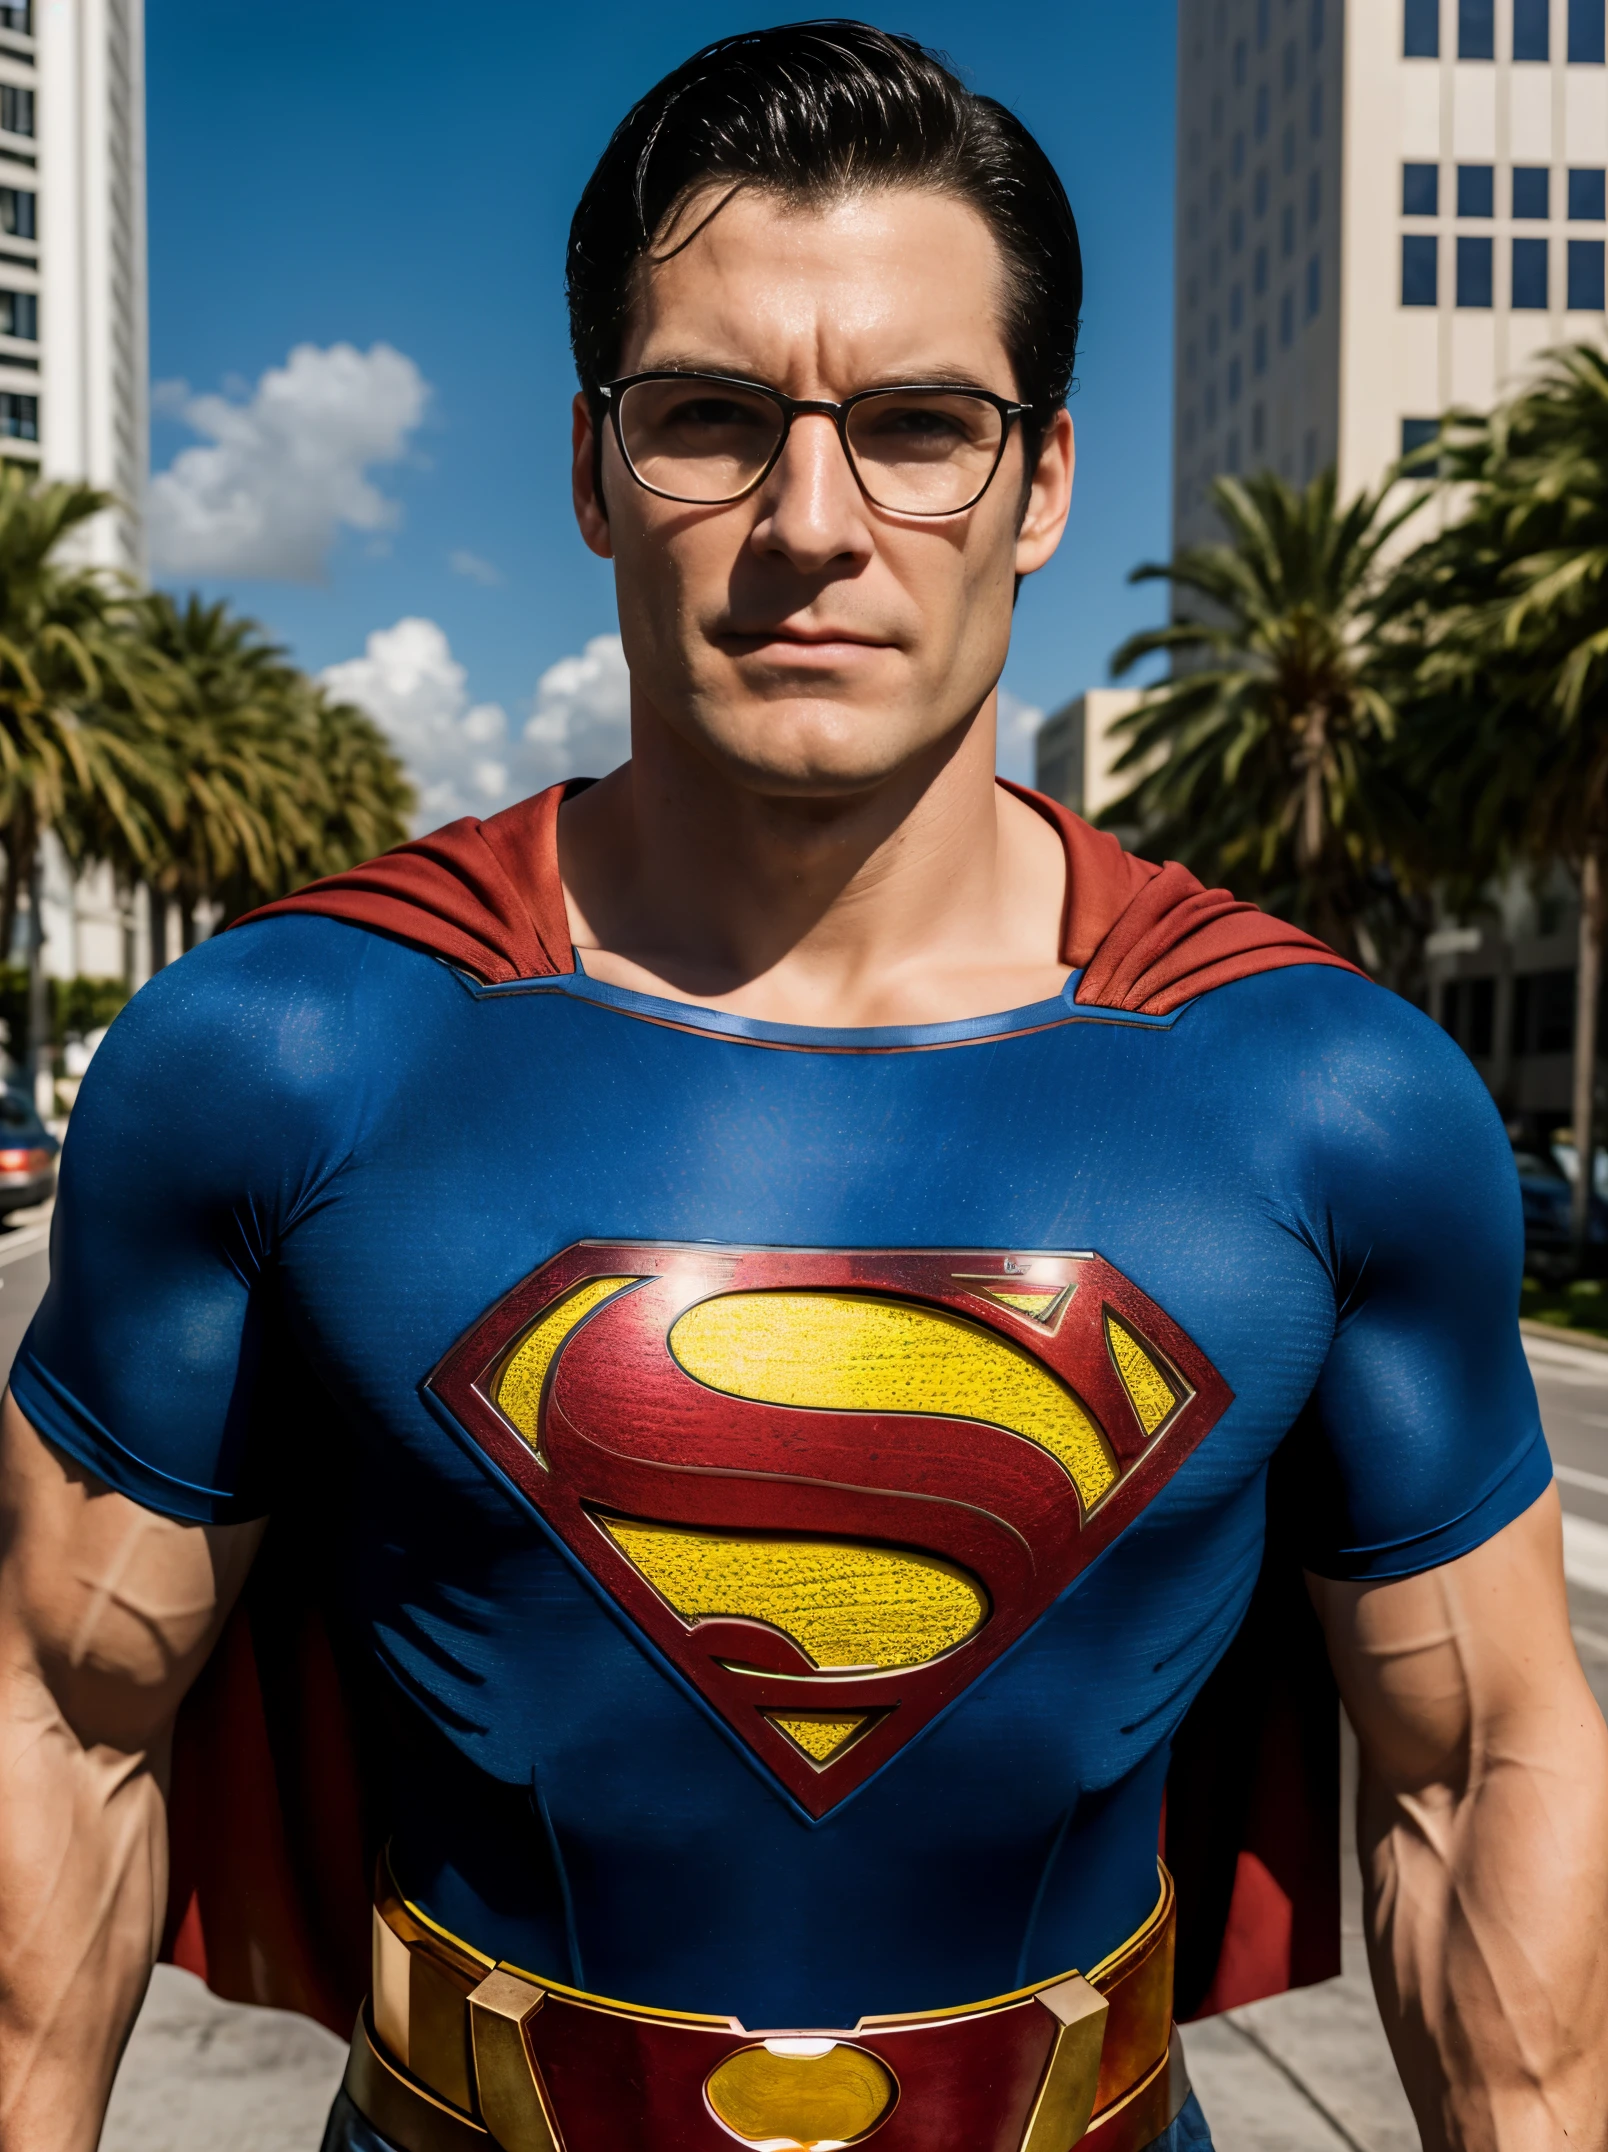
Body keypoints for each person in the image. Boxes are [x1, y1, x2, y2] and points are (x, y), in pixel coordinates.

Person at [1, 22, 1604, 2152]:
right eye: (712, 420)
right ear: (589, 466)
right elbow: (65, 1714)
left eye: (922, 424)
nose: (813, 522)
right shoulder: (290, 1049)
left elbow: (1476, 1762)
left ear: (1040, 478)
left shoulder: (1318, 1091)